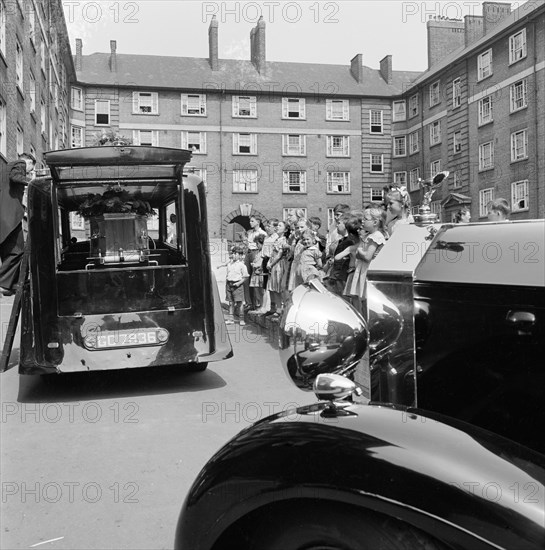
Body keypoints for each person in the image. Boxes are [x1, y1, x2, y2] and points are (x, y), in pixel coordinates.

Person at [0, 153, 36, 296]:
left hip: (4, 215)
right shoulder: (19, 164)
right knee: (18, 250)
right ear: (29, 162)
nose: (30, 172)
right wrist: (32, 182)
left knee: (9, 251)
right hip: (9, 216)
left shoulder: (5, 167)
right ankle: (3, 282)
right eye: (31, 169)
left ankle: (9, 285)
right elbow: (15, 177)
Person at [350, 205, 387, 315]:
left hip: (368, 271)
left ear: (375, 222)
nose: (362, 221)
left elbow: (367, 256)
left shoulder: (376, 236)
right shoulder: (368, 236)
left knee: (368, 299)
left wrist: (360, 250)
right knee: (362, 299)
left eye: (366, 219)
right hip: (363, 269)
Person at [323, 214, 356, 296]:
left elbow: (345, 259)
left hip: (341, 276)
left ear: (346, 225)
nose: (336, 225)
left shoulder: (349, 241)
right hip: (336, 275)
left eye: (339, 223)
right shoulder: (342, 240)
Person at [265, 220, 289, 318]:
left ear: (285, 229)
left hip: (279, 264)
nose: (277, 227)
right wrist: (269, 262)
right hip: (273, 264)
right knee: (273, 287)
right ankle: (276, 308)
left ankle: (280, 310)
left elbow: (279, 255)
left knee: (278, 287)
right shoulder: (277, 239)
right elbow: (272, 253)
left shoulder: (283, 240)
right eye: (277, 225)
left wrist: (271, 263)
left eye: (280, 226)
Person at [242, 215, 267, 310]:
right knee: (246, 277)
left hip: (256, 252)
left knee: (255, 278)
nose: (250, 223)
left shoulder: (262, 233)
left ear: (258, 222)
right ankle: (248, 302)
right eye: (250, 221)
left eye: (252, 221)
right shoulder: (250, 232)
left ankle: (257, 303)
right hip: (248, 253)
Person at [223, 245, 249, 326]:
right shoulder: (230, 264)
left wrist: (239, 283)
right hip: (229, 284)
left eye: (235, 253)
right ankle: (231, 319)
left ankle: (241, 319)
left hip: (237, 285)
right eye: (232, 253)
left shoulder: (241, 265)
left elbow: (246, 276)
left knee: (240, 303)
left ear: (240, 255)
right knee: (231, 303)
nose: (233, 255)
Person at [249, 234, 266, 312]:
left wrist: (256, 265)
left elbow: (262, 262)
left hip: (260, 274)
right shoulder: (257, 252)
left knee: (261, 291)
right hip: (255, 274)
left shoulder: (264, 252)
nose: (257, 246)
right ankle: (257, 305)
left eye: (258, 244)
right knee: (256, 291)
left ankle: (262, 305)